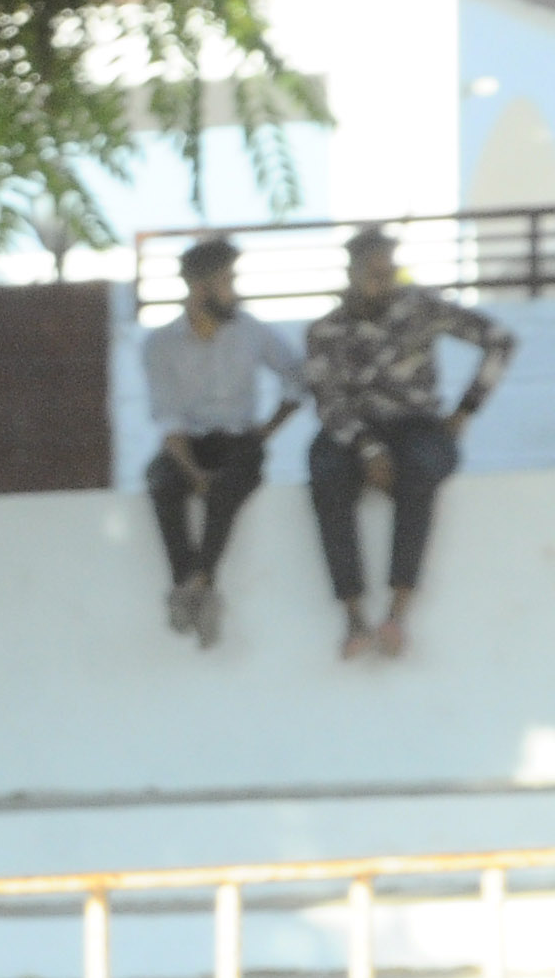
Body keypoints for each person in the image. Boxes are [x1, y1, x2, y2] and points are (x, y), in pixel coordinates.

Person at [301, 224, 517, 660]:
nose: (384, 282)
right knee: (326, 474)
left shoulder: (420, 307)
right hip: (352, 430)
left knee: (421, 472)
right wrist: (367, 449)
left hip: (417, 424)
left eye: (389, 272)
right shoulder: (326, 330)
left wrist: (466, 410)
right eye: (374, 273)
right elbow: (327, 400)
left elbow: (499, 341)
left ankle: (397, 613)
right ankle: (353, 615)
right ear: (353, 273)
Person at [138, 237, 302, 648]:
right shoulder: (160, 345)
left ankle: (194, 585)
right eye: (227, 281)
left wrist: (266, 430)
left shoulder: (251, 332)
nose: (234, 290)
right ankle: (194, 585)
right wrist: (192, 471)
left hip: (239, 440)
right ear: (200, 288)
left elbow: (298, 378)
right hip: (187, 444)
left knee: (231, 483)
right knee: (161, 482)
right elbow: (168, 418)